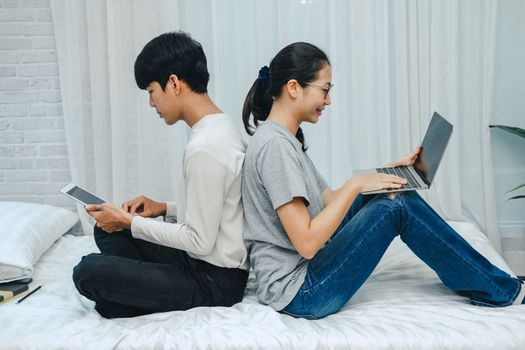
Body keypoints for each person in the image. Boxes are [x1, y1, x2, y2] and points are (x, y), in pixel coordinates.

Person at [241, 42, 525, 320]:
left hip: (306, 273)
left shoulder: (284, 139)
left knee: (392, 194)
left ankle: (484, 281)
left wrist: (381, 175)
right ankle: (501, 290)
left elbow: (327, 200)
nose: (328, 101)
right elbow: (306, 243)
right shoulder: (275, 147)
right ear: (294, 88)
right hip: (299, 292)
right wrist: (356, 185)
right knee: (396, 207)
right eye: (324, 91)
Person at [72, 31, 249, 318]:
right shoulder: (220, 128)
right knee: (105, 229)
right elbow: (223, 208)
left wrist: (131, 222)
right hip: (202, 262)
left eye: (151, 91)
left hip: (213, 283)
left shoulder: (205, 147)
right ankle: (132, 291)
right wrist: (163, 208)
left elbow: (199, 241)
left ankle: (126, 295)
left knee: (87, 271)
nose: (151, 103)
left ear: (174, 83)